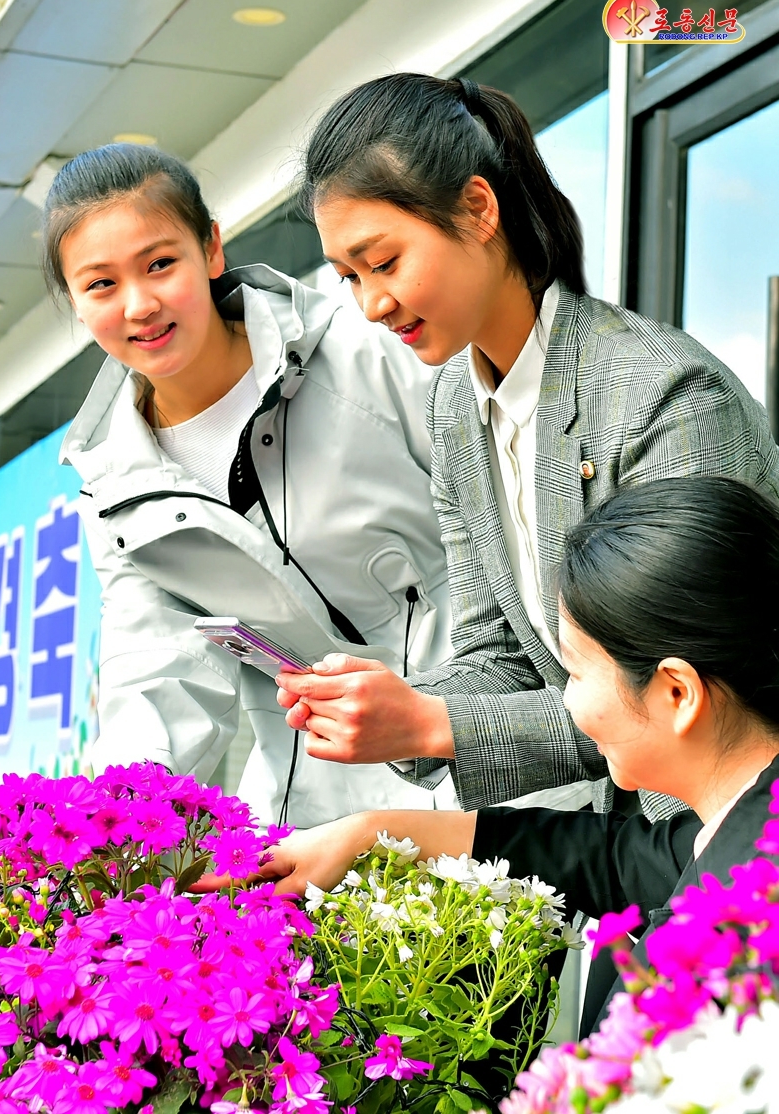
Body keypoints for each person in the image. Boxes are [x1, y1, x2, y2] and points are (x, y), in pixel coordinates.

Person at [274, 73, 779, 819]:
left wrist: (434, 724)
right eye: (348, 277)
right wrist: (395, 707)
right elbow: (500, 652)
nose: (371, 305)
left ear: (478, 209)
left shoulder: (664, 394)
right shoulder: (455, 405)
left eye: (383, 263)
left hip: (726, 825)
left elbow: (681, 695)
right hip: (620, 825)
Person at [219, 476, 779, 1033]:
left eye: (575, 673)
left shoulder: (734, 943)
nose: (565, 700)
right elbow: (610, 858)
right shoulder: (739, 830)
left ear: (677, 693)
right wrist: (367, 835)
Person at [51, 142, 456, 828]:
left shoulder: (365, 350)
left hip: (486, 766)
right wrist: (114, 834)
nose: (140, 305)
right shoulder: (114, 490)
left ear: (211, 249)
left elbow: (504, 532)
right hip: (319, 815)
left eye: (160, 264)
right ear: (75, 302)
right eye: (101, 285)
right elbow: (155, 677)